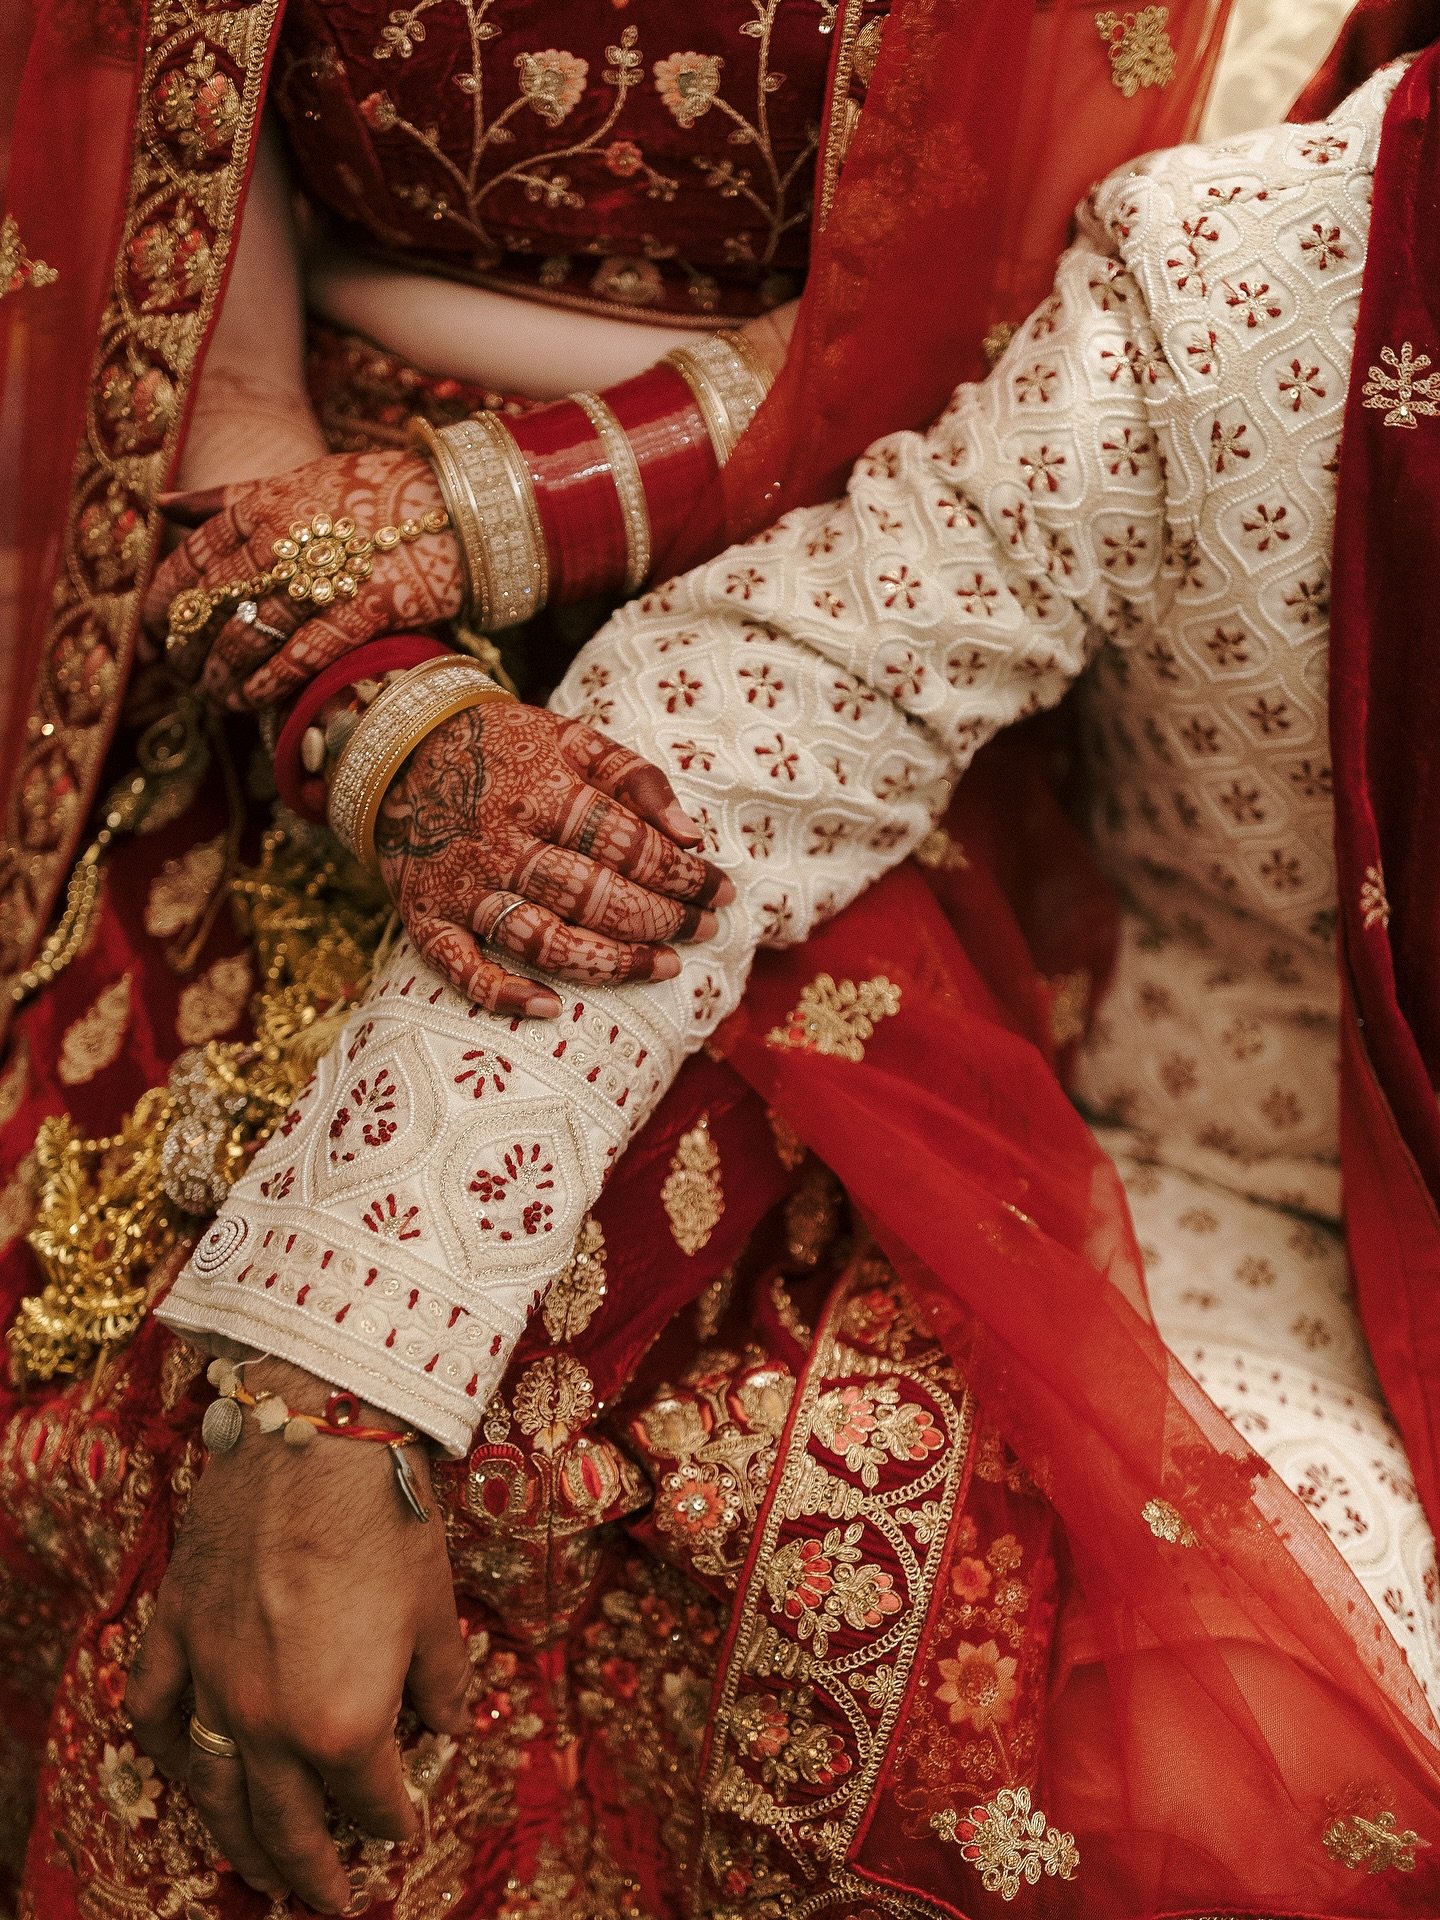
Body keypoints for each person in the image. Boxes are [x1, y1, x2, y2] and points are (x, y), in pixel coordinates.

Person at [23, 2, 1440, 1918]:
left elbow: (950, 289)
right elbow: (785, 702)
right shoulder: (1290, 277)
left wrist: (478, 523)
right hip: (297, 621)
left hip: (795, 528)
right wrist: (331, 1377)